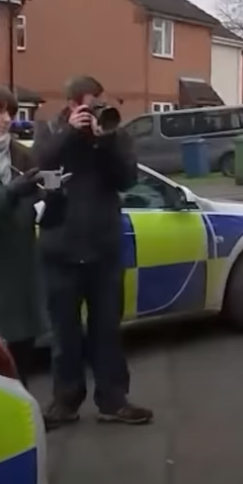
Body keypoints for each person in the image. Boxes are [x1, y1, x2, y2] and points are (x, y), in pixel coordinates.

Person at [35, 75, 151, 429]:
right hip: (61, 249)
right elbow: (41, 167)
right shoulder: (49, 131)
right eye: (89, 105)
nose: (97, 111)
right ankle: (65, 403)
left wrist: (107, 142)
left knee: (107, 332)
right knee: (64, 334)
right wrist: (71, 133)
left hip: (103, 250)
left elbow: (127, 179)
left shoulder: (113, 132)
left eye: (100, 103)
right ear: (72, 105)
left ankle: (113, 401)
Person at [0, 86, 46, 387]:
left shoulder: (23, 155)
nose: (6, 120)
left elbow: (38, 205)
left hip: (20, 280)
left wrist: (53, 203)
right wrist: (10, 194)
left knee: (19, 372)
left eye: (11, 113)